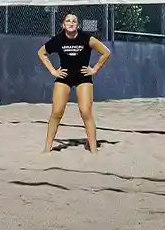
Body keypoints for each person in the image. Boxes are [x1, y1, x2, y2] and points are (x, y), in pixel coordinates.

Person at [39, 12, 111, 152]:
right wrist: (53, 71)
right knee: (57, 112)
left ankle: (93, 149)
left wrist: (95, 69)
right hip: (64, 76)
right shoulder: (58, 39)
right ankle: (47, 149)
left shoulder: (86, 38)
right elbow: (41, 53)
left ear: (77, 25)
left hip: (83, 77)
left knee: (85, 112)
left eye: (74, 21)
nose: (71, 23)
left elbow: (106, 52)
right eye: (68, 21)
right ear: (63, 24)